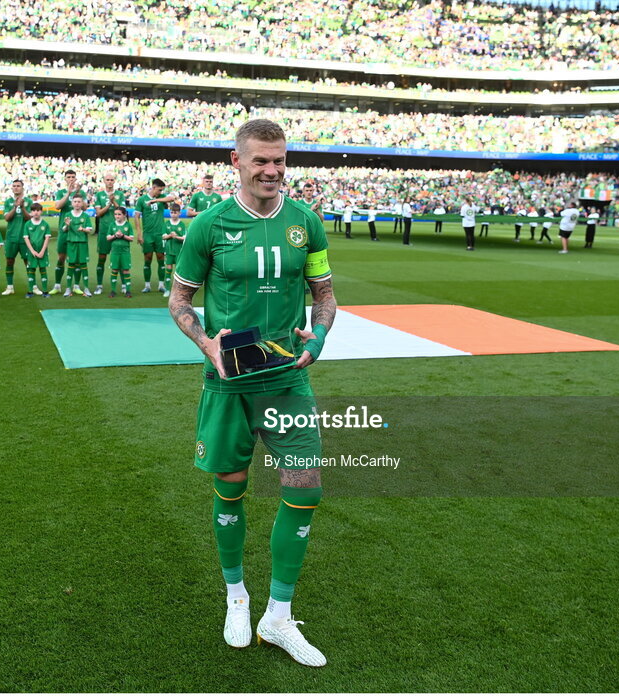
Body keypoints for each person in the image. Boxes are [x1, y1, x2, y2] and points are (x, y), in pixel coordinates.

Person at [168, 118, 337, 668]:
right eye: (261, 160)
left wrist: (322, 332)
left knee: (305, 490)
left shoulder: (306, 223)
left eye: (280, 160)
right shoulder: (209, 227)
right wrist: (207, 345)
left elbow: (326, 295)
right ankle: (236, 597)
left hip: (288, 381)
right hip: (230, 382)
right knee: (231, 490)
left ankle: (279, 616)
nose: (272, 170)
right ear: (236, 162)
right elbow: (178, 302)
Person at [134, 178, 175, 294]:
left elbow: (172, 198)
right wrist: (139, 233)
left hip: (160, 234)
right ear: (153, 188)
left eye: (162, 190)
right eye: (159, 190)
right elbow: (136, 216)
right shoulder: (142, 200)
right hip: (147, 234)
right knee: (147, 258)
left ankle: (161, 285)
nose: (161, 192)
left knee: (161, 258)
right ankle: (147, 285)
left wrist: (156, 200)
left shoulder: (161, 198)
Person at [50, 170, 87, 295]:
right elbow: (58, 206)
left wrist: (76, 192)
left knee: (76, 259)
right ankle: (57, 285)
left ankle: (76, 285)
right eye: (68, 177)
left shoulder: (81, 192)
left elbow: (85, 207)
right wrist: (68, 193)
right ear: (65, 179)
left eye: (73, 177)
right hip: (64, 230)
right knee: (61, 258)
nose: (71, 179)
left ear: (75, 178)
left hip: (77, 232)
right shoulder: (61, 192)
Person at [92, 172, 127, 294]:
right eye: (107, 179)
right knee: (102, 258)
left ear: (114, 181)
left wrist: (114, 202)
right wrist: (109, 204)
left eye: (112, 179)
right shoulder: (99, 195)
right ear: (104, 181)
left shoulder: (120, 195)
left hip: (118, 231)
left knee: (120, 258)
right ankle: (99, 285)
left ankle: (123, 285)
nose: (110, 182)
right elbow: (98, 213)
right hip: (104, 231)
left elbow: (124, 213)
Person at [2, 179, 33, 296]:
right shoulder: (8, 202)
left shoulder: (28, 201)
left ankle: (33, 286)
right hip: (11, 237)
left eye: (18, 186)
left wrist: (23, 207)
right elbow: (7, 218)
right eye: (14, 186)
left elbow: (29, 218)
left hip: (25, 237)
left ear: (22, 188)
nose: (16, 188)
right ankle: (10, 287)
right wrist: (15, 207)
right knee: (9, 261)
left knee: (28, 262)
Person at [62, 194, 94, 298]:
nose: (77, 203)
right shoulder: (68, 214)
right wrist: (67, 225)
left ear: (82, 203)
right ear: (72, 203)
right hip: (71, 243)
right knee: (71, 265)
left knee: (83, 265)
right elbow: (63, 229)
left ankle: (86, 288)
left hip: (82, 243)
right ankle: (68, 289)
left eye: (79, 201)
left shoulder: (85, 215)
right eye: (75, 201)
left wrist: (83, 229)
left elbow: (90, 230)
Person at [22, 203, 52, 298]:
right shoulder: (27, 224)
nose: (36, 212)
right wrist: (32, 251)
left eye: (38, 210)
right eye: (34, 210)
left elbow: (47, 238)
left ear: (41, 211)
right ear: (31, 212)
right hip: (32, 252)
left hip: (42, 251)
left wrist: (42, 251)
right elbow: (26, 238)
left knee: (43, 269)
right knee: (31, 270)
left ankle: (45, 291)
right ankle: (30, 291)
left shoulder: (45, 224)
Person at [108, 206, 135, 298]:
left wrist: (123, 236)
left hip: (125, 252)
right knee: (114, 269)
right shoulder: (112, 225)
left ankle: (128, 291)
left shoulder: (128, 225)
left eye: (119, 214)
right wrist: (115, 235)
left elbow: (131, 238)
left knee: (126, 270)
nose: (117, 216)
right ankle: (113, 291)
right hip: (115, 252)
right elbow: (108, 238)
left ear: (124, 215)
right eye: (115, 214)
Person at [161, 201, 186, 299]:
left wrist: (176, 237)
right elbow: (163, 237)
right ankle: (167, 289)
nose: (173, 214)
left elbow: (184, 238)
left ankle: (178, 291)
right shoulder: (166, 224)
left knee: (178, 271)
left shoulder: (182, 224)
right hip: (169, 251)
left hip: (179, 251)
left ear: (179, 213)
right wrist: (170, 235)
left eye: (175, 212)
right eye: (172, 212)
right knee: (168, 269)